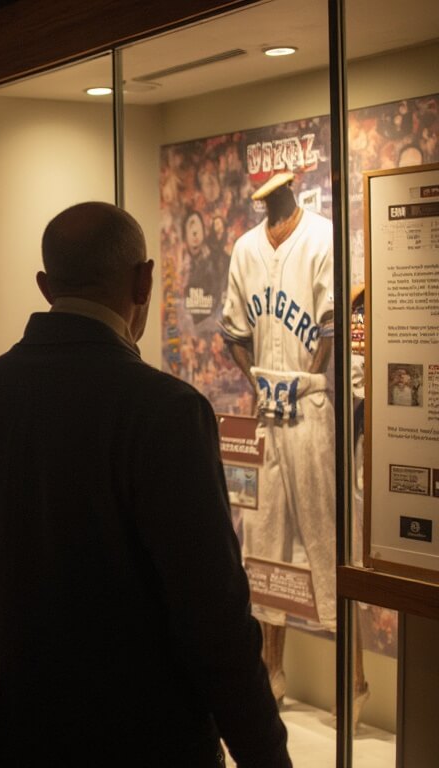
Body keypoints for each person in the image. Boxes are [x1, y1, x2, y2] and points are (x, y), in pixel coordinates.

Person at [0, 202, 291, 767]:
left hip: (22, 721)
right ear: (144, 279)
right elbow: (212, 614)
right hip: (144, 729)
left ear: (44, 285)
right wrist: (265, 754)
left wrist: (43, 626)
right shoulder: (167, 410)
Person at [221, 171, 336, 705]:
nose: (269, 199)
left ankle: (351, 677)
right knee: (263, 539)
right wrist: (259, 384)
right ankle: (272, 674)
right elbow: (234, 334)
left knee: (323, 535)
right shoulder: (245, 248)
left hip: (310, 404)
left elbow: (333, 329)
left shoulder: (322, 236)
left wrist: (300, 381)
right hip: (269, 407)